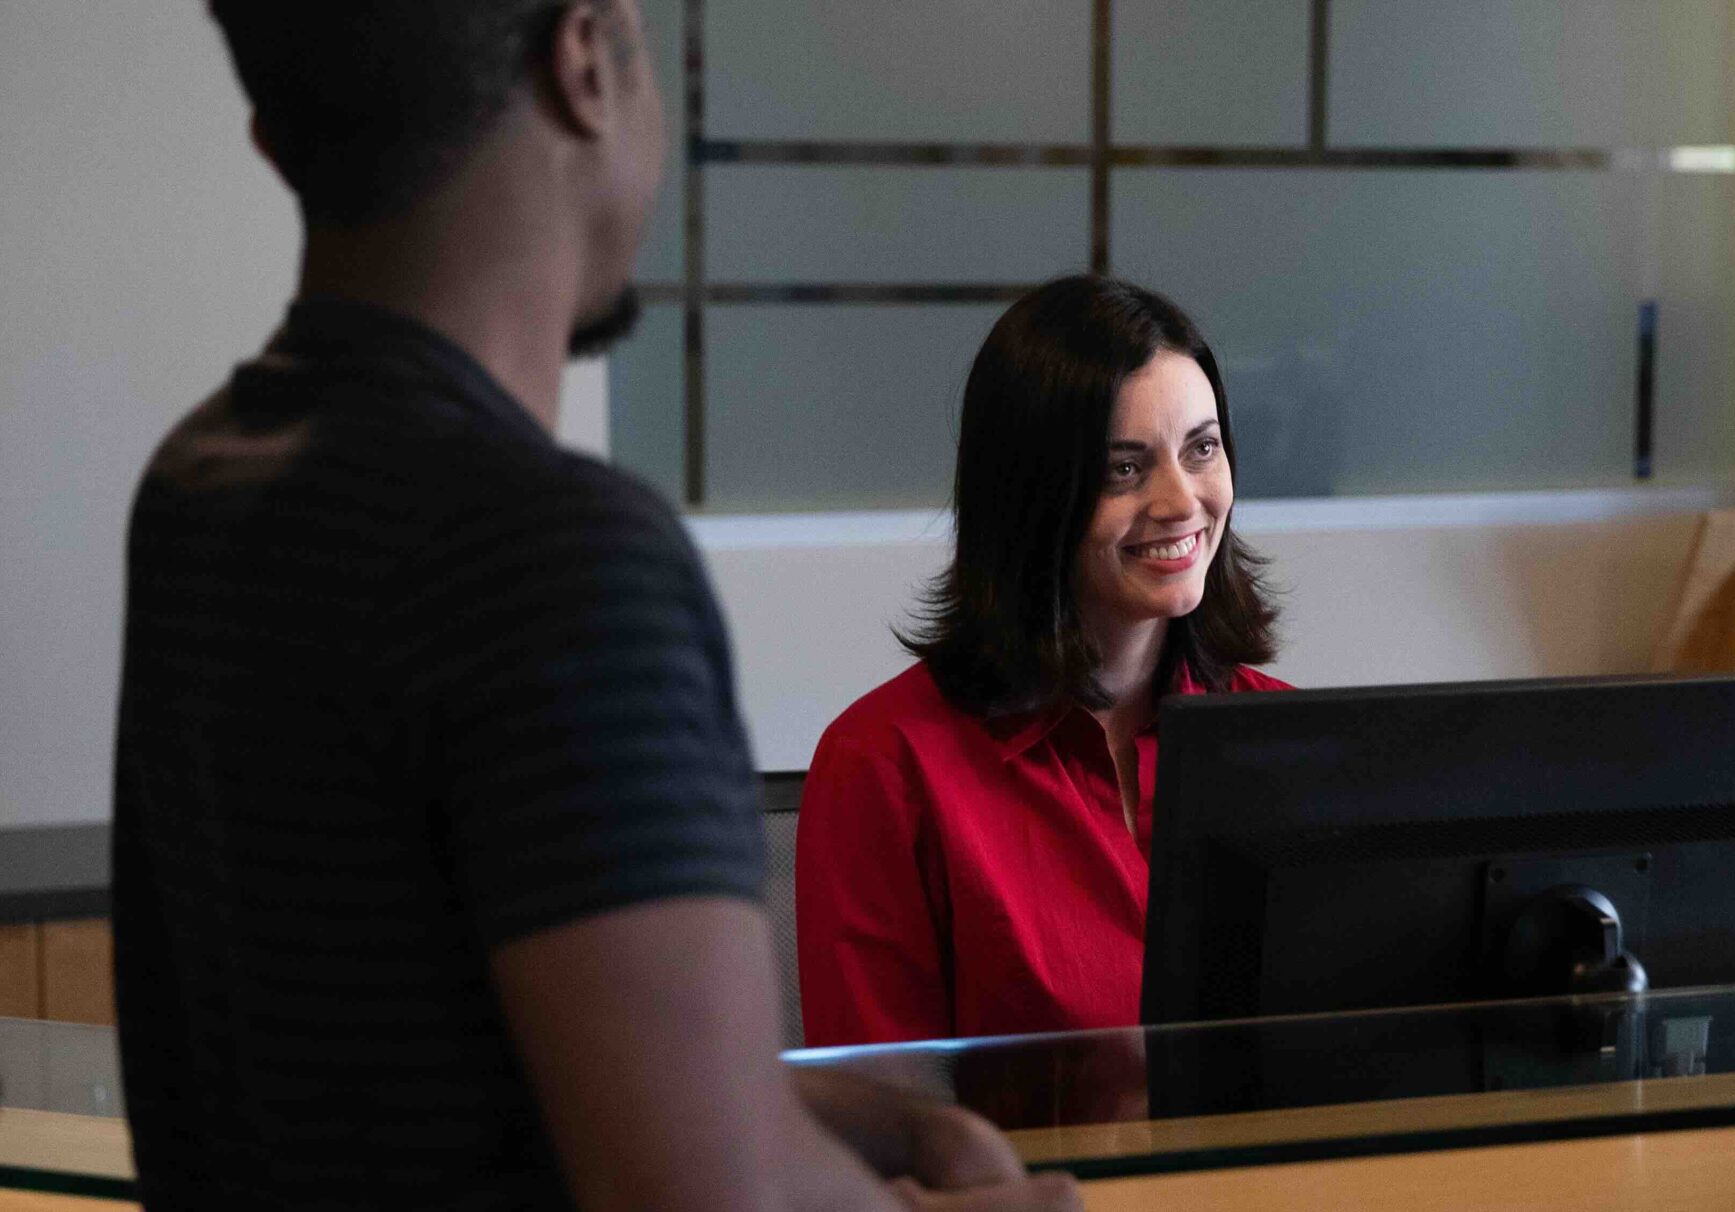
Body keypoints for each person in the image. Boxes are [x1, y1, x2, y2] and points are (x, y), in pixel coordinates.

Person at [116, 3, 1074, 1208]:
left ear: (276, 136)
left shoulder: (202, 483)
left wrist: (894, 1129)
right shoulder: (551, 554)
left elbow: (474, 1055)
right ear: (583, 65)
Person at [797, 275, 1289, 1046]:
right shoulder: (882, 767)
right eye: (1123, 469)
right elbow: (880, 1121)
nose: (1180, 500)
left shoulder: (1290, 735)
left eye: (1202, 448)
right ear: (1030, 498)